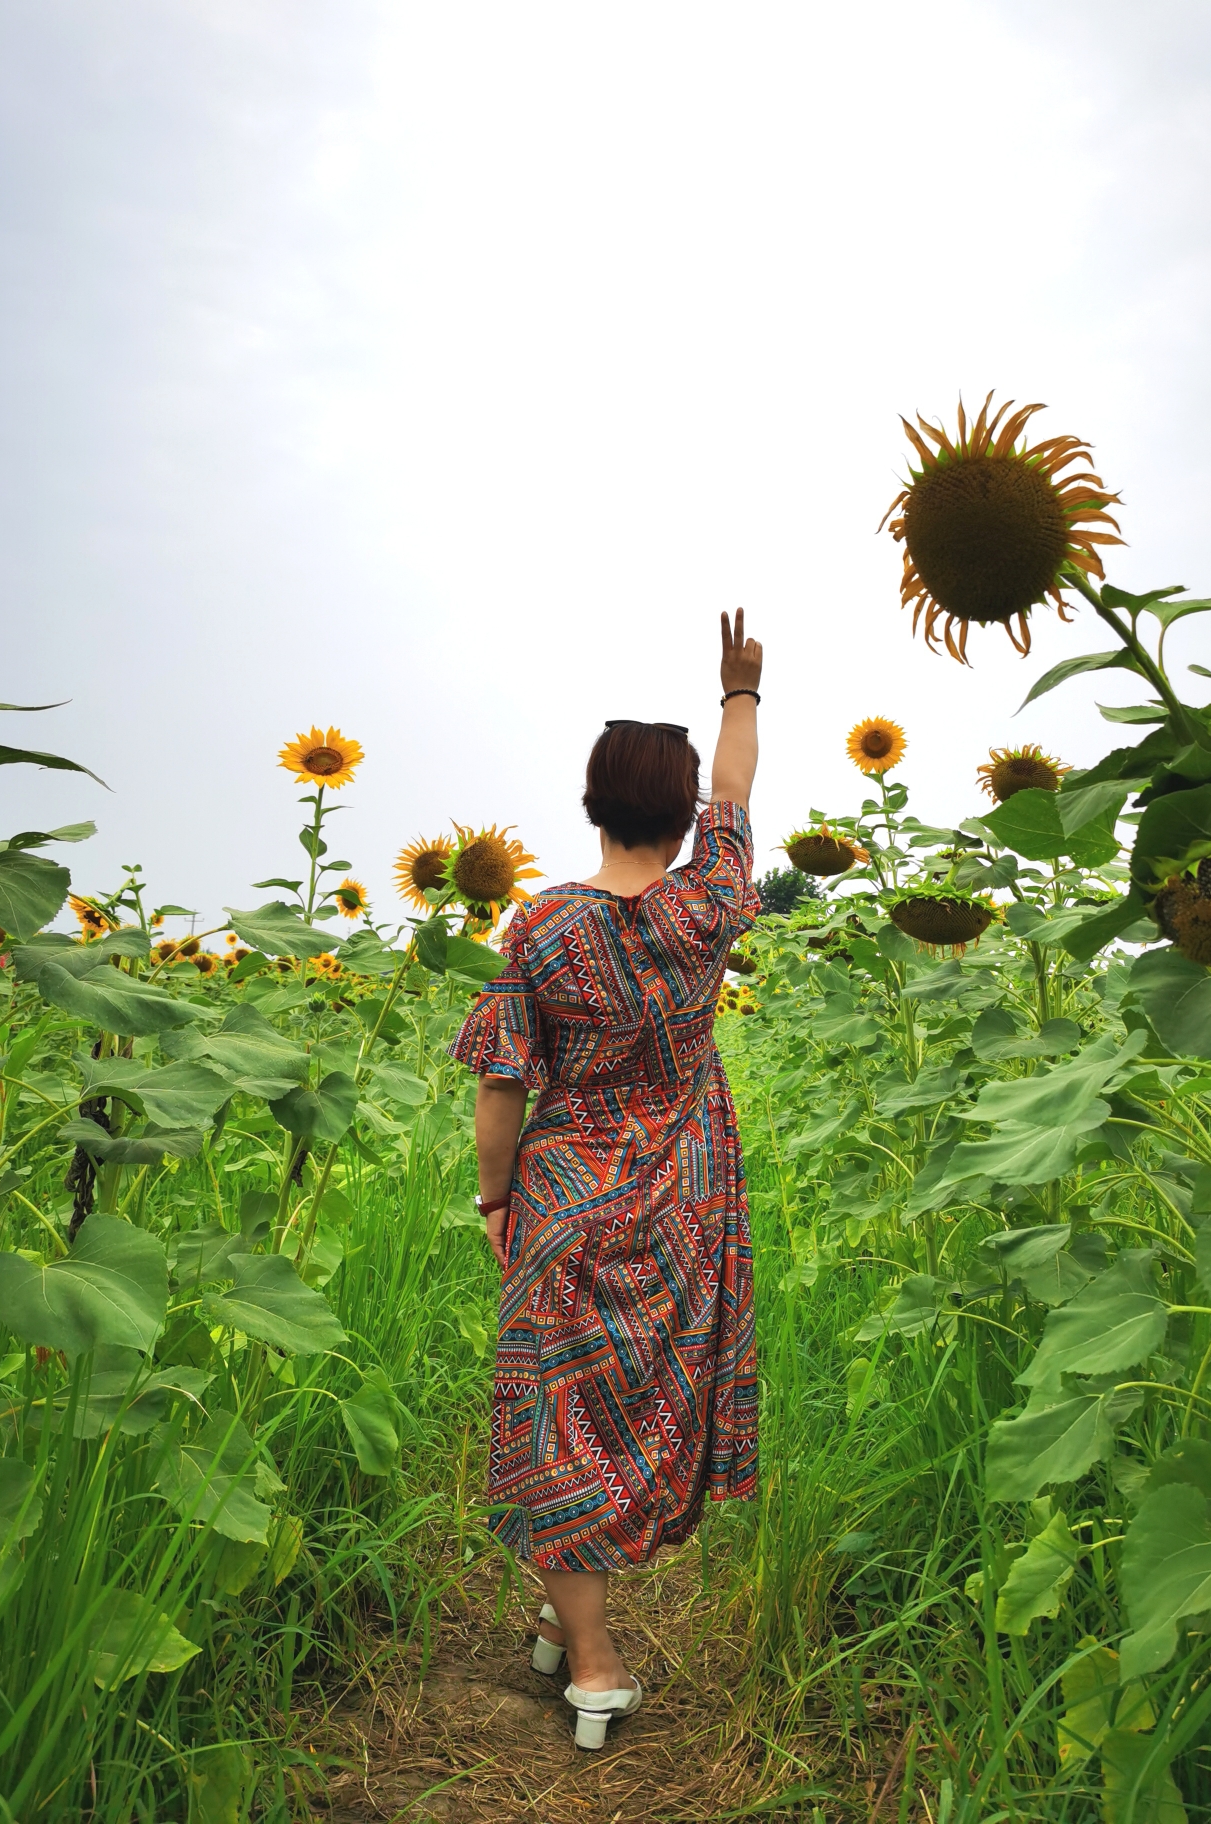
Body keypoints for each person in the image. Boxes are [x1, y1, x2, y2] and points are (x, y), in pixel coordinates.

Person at [448, 610, 764, 1751]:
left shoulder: (538, 926)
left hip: (564, 1196)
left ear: (593, 802)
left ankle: (577, 1640)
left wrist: (496, 1198)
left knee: (558, 1408)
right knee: (638, 1408)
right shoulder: (710, 899)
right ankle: (586, 1649)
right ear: (680, 817)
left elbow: (500, 1088)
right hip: (679, 1196)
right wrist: (740, 692)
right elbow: (736, 790)